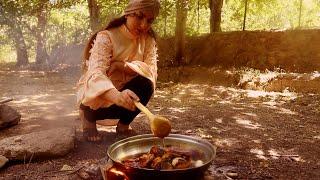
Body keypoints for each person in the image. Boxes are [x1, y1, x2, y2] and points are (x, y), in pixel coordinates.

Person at [76, 0, 160, 142]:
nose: (144, 25)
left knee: (147, 82)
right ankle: (88, 121)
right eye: (139, 17)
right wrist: (117, 96)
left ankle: (123, 126)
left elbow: (150, 71)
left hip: (128, 97)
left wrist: (121, 66)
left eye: (149, 21)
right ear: (127, 14)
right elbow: (95, 74)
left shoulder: (148, 40)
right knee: (92, 85)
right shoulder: (106, 36)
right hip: (100, 100)